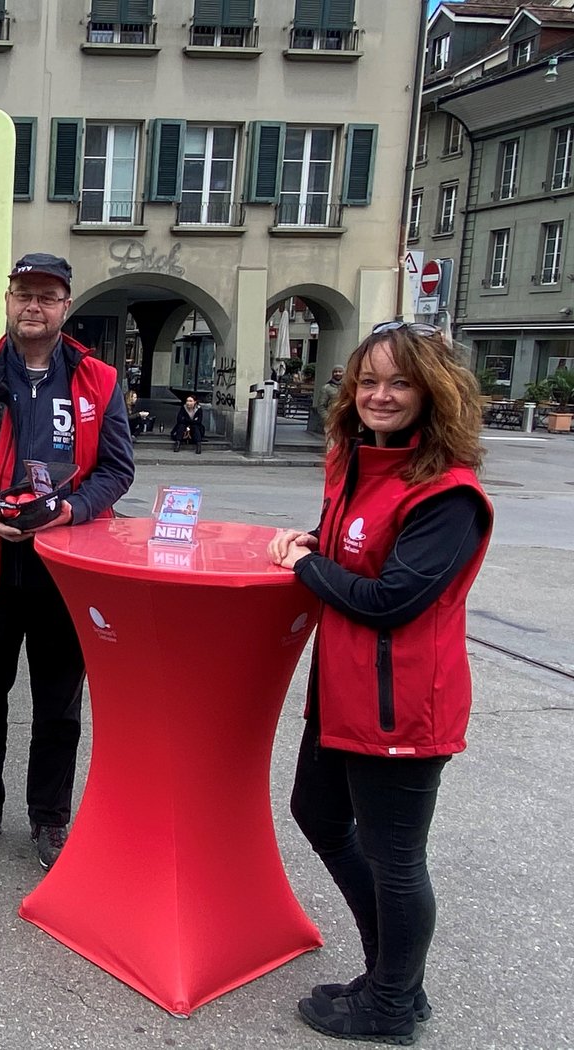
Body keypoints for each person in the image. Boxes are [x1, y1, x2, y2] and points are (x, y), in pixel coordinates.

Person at [266, 321, 492, 1045]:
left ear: (434, 392)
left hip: (403, 708)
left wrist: (305, 567)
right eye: (368, 380)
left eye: (399, 381)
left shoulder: (446, 496)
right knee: (319, 814)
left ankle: (391, 1005)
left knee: (397, 863)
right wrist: (313, 542)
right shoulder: (357, 464)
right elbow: (352, 549)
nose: (380, 395)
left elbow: (389, 599)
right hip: (342, 692)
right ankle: (393, 978)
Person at [0, 252, 135, 871]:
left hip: (66, 572)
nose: (32, 306)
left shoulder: (100, 382)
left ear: (66, 306)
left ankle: (50, 819)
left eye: (47, 296)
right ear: (8, 300)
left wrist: (72, 513)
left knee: (59, 704)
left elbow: (118, 471)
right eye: (23, 294)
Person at [312, 365, 345, 433]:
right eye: (335, 372)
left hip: (345, 421)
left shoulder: (348, 387)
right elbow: (321, 406)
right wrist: (328, 419)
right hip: (332, 421)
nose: (337, 373)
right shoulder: (326, 388)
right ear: (332, 373)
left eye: (340, 371)